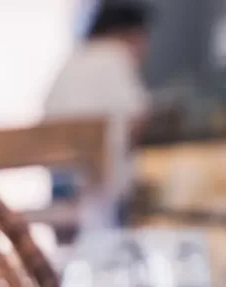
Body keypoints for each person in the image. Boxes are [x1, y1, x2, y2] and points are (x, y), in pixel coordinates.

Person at [43, 2, 154, 227]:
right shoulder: (115, 57)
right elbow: (137, 121)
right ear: (130, 34)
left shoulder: (74, 60)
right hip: (100, 201)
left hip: (59, 193)